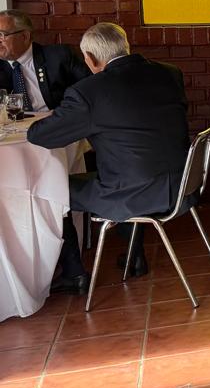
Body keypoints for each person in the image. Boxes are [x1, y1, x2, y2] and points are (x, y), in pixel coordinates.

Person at [27, 23, 188, 294]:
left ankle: (74, 274)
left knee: (48, 188)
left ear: (90, 59)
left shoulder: (88, 92)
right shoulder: (169, 73)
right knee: (131, 168)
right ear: (126, 47)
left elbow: (41, 136)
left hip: (132, 194)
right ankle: (135, 256)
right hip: (182, 185)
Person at [0, 9, 90, 112]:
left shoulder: (59, 56)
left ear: (24, 36)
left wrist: (61, 113)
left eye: (1, 35)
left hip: (59, 118)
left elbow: (89, 90)